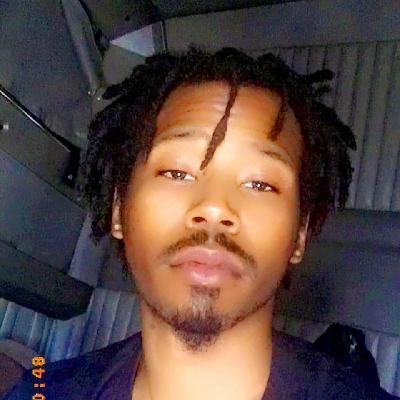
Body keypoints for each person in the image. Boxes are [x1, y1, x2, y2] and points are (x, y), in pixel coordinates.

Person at [3, 46, 394, 400]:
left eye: (260, 183)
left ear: (299, 236)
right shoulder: (39, 393)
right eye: (177, 172)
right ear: (119, 209)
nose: (214, 207)